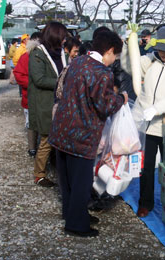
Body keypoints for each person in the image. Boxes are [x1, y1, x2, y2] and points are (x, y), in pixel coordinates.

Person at [48, 30, 127, 237]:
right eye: (115, 56)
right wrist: (122, 99)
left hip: (62, 129)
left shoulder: (78, 61)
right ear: (109, 51)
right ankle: (76, 224)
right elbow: (105, 105)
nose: (114, 60)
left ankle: (73, 214)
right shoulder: (101, 72)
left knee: (66, 181)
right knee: (81, 183)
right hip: (82, 134)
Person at [121, 26, 165, 218]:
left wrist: (157, 108)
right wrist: (127, 45)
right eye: (161, 50)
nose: (164, 54)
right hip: (147, 125)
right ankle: (146, 203)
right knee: (146, 167)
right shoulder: (150, 61)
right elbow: (130, 67)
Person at [28, 22, 68, 187]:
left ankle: (57, 168)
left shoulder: (59, 53)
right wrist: (63, 83)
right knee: (46, 139)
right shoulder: (38, 54)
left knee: (57, 138)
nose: (65, 40)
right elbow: (39, 79)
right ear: (55, 37)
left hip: (59, 101)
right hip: (45, 102)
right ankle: (39, 174)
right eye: (63, 37)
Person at [13, 32, 42, 158]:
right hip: (29, 95)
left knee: (40, 122)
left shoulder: (44, 56)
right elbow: (18, 74)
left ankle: (39, 147)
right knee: (31, 123)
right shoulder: (26, 56)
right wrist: (33, 84)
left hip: (38, 95)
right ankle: (32, 147)